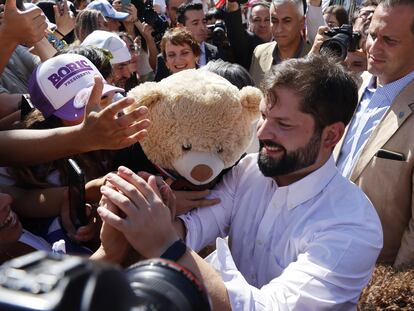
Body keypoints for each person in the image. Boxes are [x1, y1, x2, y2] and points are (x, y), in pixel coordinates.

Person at [94, 55, 383, 309]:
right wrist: (148, 210)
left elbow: (267, 308)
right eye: (264, 116)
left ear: (331, 136)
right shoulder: (249, 171)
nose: (262, 133)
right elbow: (195, 228)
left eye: (283, 124)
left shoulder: (352, 226)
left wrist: (166, 243)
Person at [335, 0, 414, 268]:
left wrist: (388, 291)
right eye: (372, 35)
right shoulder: (350, 91)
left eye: (389, 40)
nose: (373, 48)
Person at [249, 0, 312, 86]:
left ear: (301, 22)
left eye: (287, 21)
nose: (279, 29)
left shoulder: (315, 58)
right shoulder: (259, 52)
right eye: (274, 21)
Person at [155, 2, 220, 81]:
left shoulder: (218, 52)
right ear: (180, 27)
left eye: (204, 22)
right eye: (195, 23)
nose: (202, 27)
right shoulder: (163, 58)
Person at [224, 1, 272, 70]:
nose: (262, 24)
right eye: (257, 20)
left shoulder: (282, 42)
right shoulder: (244, 41)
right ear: (249, 22)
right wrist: (231, 2)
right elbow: (234, 26)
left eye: (267, 20)